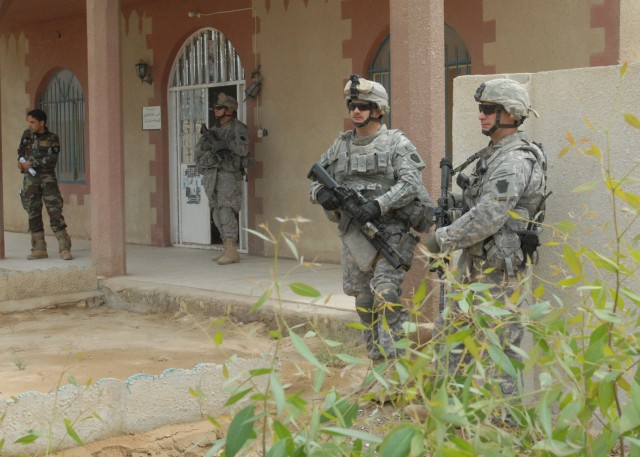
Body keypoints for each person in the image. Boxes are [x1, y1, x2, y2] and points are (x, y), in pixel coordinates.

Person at [425, 78, 547, 401]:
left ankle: (505, 426)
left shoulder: (515, 161)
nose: (481, 116)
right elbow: (478, 204)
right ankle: (449, 413)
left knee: (498, 347)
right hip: (475, 264)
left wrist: (444, 239)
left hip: (498, 273)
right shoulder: (493, 155)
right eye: (481, 109)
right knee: (451, 334)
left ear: (511, 113)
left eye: (489, 110)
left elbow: (490, 215)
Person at [309, 75, 433, 361]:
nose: (356, 110)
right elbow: (314, 181)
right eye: (352, 105)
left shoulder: (396, 144)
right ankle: (376, 363)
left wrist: (379, 205)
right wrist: (320, 194)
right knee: (364, 302)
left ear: (378, 109)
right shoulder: (340, 147)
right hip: (355, 236)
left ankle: (395, 366)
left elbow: (412, 182)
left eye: (363, 106)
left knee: (387, 296)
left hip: (389, 233)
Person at [194, 93, 250, 265]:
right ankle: (226, 248)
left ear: (229, 110)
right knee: (216, 213)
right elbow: (199, 151)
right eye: (215, 108)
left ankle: (232, 250)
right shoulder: (214, 130)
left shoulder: (237, 128)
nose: (215, 111)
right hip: (212, 175)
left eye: (219, 108)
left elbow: (244, 150)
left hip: (228, 175)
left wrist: (226, 145)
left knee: (226, 211)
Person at [17, 108, 73, 260]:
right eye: (29, 122)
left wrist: (31, 163)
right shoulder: (26, 135)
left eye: (33, 122)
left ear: (42, 123)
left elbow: (51, 160)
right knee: (33, 212)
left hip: (47, 180)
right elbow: (21, 151)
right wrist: (21, 163)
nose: (30, 125)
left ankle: (64, 247)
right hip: (30, 181)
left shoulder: (52, 138)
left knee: (54, 211)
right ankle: (38, 248)